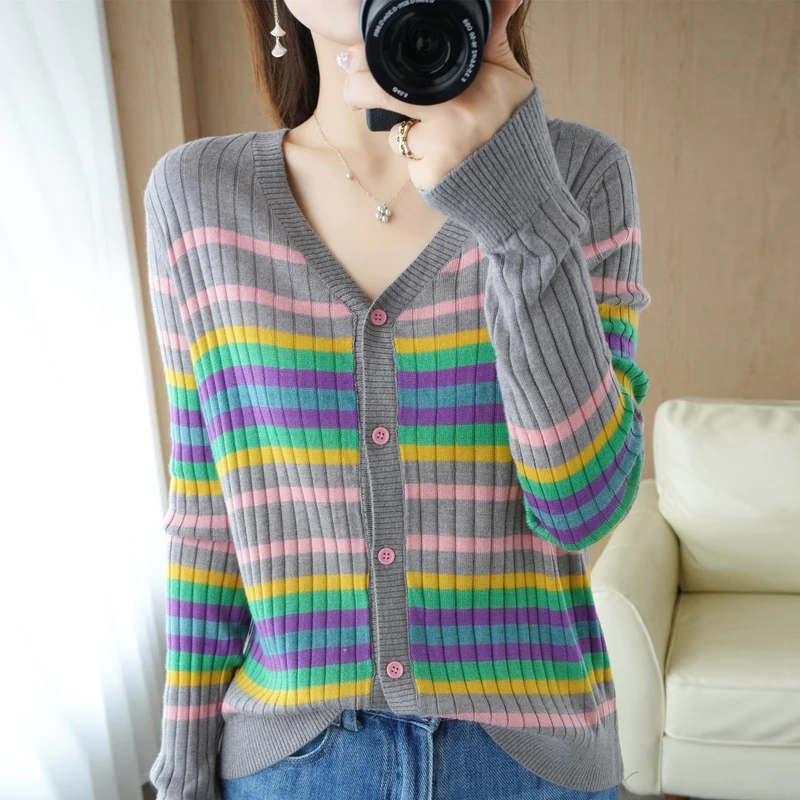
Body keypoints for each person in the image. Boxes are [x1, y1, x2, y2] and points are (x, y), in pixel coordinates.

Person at [144, 0, 650, 798]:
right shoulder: (198, 194)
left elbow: (581, 505)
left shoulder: (578, 177)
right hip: (292, 766)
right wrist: (182, 771)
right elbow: (207, 517)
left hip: (529, 764)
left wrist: (520, 215)